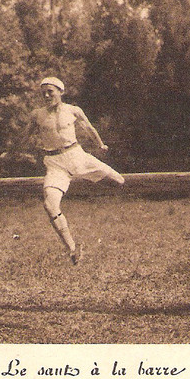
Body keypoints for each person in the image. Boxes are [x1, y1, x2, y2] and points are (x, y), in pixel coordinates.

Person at [27, 76, 124, 264]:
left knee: (118, 182)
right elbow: (25, 135)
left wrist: (100, 145)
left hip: (78, 156)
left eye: (50, 91)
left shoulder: (73, 110)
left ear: (60, 92)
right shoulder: (37, 114)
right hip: (55, 164)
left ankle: (87, 181)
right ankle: (72, 249)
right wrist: (10, 152)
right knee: (50, 206)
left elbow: (89, 127)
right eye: (44, 93)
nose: (47, 95)